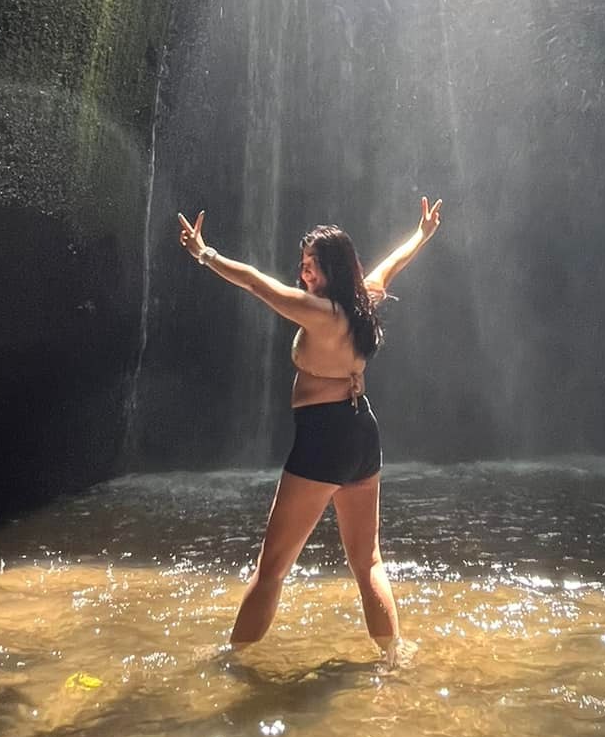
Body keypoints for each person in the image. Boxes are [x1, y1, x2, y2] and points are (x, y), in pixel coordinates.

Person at [176, 197, 443, 663]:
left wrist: (205, 253)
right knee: (369, 562)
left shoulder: (320, 313)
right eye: (302, 267)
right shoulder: (364, 302)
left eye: (312, 268)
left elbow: (257, 284)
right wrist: (420, 234)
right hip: (363, 432)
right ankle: (392, 656)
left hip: (324, 439)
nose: (304, 275)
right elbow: (391, 266)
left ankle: (230, 664)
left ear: (333, 270)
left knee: (272, 567)